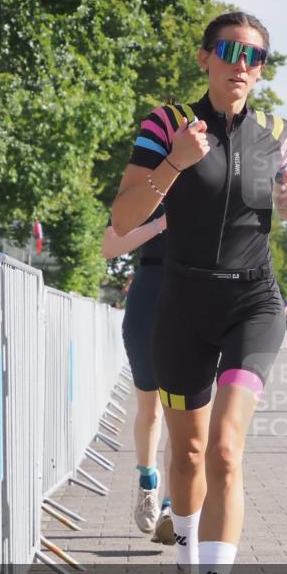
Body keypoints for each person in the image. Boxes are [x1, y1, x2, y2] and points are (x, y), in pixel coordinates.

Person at [110, 11, 287, 574]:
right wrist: (175, 163)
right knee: (189, 453)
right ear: (205, 58)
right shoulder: (166, 124)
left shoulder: (278, 134)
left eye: (255, 56)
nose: (242, 65)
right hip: (183, 304)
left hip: (253, 301)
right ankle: (186, 567)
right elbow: (124, 217)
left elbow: (284, 202)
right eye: (230, 51)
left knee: (225, 449)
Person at [102, 210, 175, 545]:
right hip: (148, 298)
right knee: (151, 410)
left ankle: (173, 505)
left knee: (182, 415)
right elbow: (110, 246)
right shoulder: (148, 186)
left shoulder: (217, 183)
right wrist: (162, 223)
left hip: (195, 299)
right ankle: (148, 484)